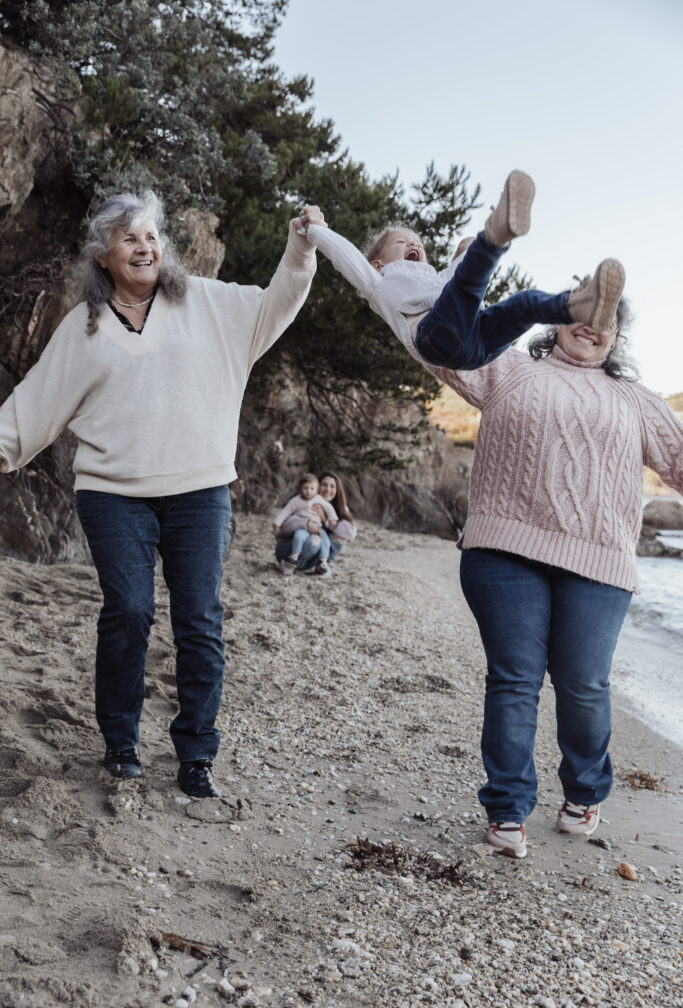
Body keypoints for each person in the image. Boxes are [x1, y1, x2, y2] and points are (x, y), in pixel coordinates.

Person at [0, 190, 323, 798]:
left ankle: (196, 754)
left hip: (199, 491)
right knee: (129, 610)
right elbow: (32, 407)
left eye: (151, 235)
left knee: (199, 618)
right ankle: (120, 742)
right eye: (129, 238)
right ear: (103, 256)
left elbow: (275, 304)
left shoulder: (206, 303)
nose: (144, 246)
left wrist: (298, 249)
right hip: (112, 493)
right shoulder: (85, 328)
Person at [400, 299, 683, 858]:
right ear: (556, 316)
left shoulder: (637, 401)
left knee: (583, 684)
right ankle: (507, 810)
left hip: (599, 563)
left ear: (618, 335)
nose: (593, 325)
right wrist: (450, 285)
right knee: (515, 680)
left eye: (608, 319)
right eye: (583, 309)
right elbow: (433, 343)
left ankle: (583, 792)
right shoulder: (506, 369)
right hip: (505, 550)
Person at [302, 170, 626, 373]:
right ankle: (496, 235)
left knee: (523, 303)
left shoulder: (435, 279)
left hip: (477, 345)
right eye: (402, 241)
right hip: (434, 337)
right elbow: (345, 256)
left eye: (418, 242)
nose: (414, 244)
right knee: (468, 284)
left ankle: (575, 306)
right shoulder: (378, 281)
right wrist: (317, 230)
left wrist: (466, 247)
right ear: (378, 262)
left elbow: (459, 278)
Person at [273, 472, 338, 576]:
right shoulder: (296, 500)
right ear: (300, 489)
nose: (308, 492)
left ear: (316, 489)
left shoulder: (318, 499)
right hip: (301, 528)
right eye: (305, 488)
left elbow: (329, 508)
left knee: (325, 540)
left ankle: (323, 561)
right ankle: (294, 556)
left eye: (311, 489)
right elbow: (285, 511)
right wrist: (277, 522)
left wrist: (331, 519)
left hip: (317, 527)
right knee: (299, 536)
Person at [318, 470, 357, 570]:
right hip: (305, 547)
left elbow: (351, 533)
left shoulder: (340, 507)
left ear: (337, 490)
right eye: (324, 485)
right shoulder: (310, 503)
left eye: (332, 486)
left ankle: (326, 562)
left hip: (326, 549)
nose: (328, 489)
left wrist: (326, 521)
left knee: (340, 538)